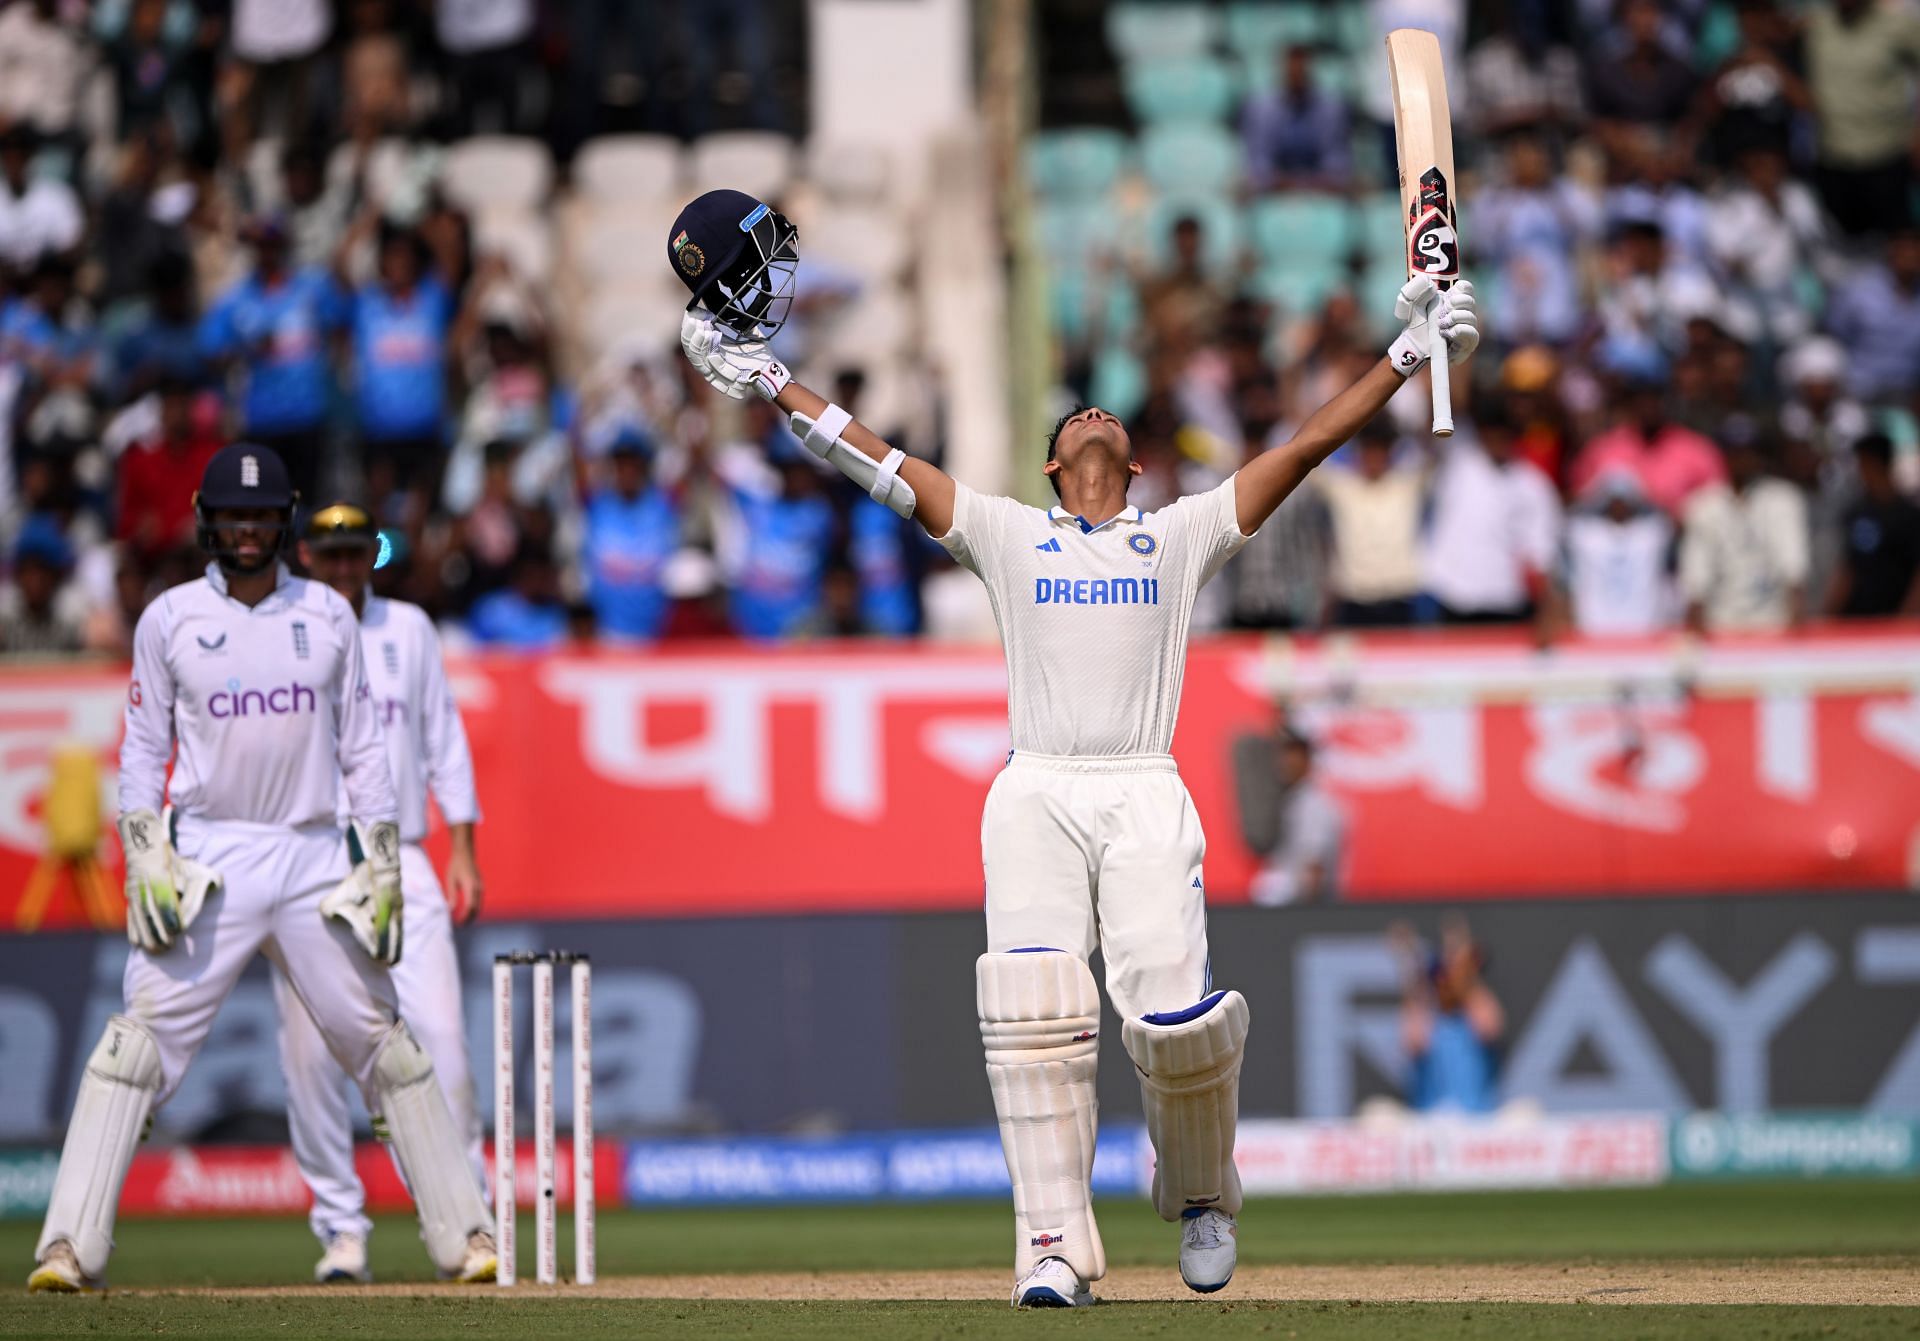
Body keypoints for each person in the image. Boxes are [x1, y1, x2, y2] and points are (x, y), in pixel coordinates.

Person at [669, 187, 1479, 1307]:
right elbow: (881, 464)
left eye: (1109, 422)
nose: (1094, 419)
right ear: (1054, 468)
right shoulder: (1007, 534)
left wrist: (1402, 355)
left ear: (1133, 465)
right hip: (1036, 786)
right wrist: (772, 383)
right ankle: (1052, 1246)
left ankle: (1201, 1197)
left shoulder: (1178, 536)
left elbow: (1303, 449)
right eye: (1073, 423)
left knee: (1178, 1019)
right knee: (1032, 1009)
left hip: (1143, 786)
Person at [26, 444, 495, 1292]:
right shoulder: (168, 618)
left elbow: (364, 752)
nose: (247, 530)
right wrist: (145, 854)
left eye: (261, 516)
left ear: (284, 522)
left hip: (313, 851)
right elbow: (141, 750)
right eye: (234, 516)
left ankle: (465, 1237)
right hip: (212, 849)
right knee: (138, 1048)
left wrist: (381, 861)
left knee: (382, 1044)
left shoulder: (326, 614)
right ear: (210, 519)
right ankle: (67, 1248)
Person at [272, 502, 485, 1284]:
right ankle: (341, 1230)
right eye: (328, 556)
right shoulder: (278, 630)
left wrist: (461, 845)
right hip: (307, 860)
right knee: (309, 1056)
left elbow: (444, 737)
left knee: (443, 1042)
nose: (341, 569)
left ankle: (469, 1218)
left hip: (405, 857)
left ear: (371, 557)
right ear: (306, 557)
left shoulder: (409, 630)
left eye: (354, 554)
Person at [1678, 435, 1809, 633]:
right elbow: (1696, 580)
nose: (1742, 459)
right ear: (1724, 456)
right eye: (1735, 452)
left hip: (1772, 625)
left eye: (1748, 452)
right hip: (1721, 627)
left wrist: (1795, 630)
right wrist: (1695, 634)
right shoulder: (1704, 506)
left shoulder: (1783, 500)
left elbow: (1794, 570)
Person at [1243, 727, 1345, 906]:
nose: (1285, 761)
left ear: (1307, 759)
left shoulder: (1315, 805)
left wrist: (1305, 918)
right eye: (1282, 753)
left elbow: (1315, 870)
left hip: (1301, 907)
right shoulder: (1288, 800)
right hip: (1285, 907)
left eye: (1293, 753)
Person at [1826, 433, 1920, 618]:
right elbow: (1849, 568)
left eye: (1861, 463)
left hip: (1894, 619)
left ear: (1874, 463)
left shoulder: (1910, 516)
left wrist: (1906, 617)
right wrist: (1830, 614)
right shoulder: (1857, 513)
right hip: (1855, 620)